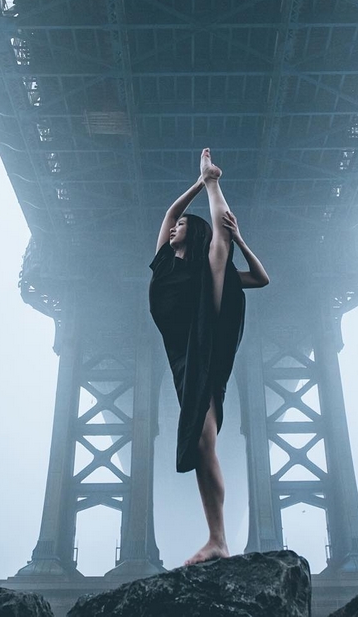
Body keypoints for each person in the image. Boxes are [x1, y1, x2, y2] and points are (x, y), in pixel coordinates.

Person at [149, 148, 270, 565]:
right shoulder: (163, 262)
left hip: (205, 331)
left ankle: (217, 540)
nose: (174, 228)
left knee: (219, 258)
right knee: (203, 446)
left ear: (193, 233)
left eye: (183, 226)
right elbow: (169, 212)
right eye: (174, 226)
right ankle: (217, 539)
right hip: (181, 356)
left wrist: (212, 184)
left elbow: (258, 277)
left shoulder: (204, 264)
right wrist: (194, 186)